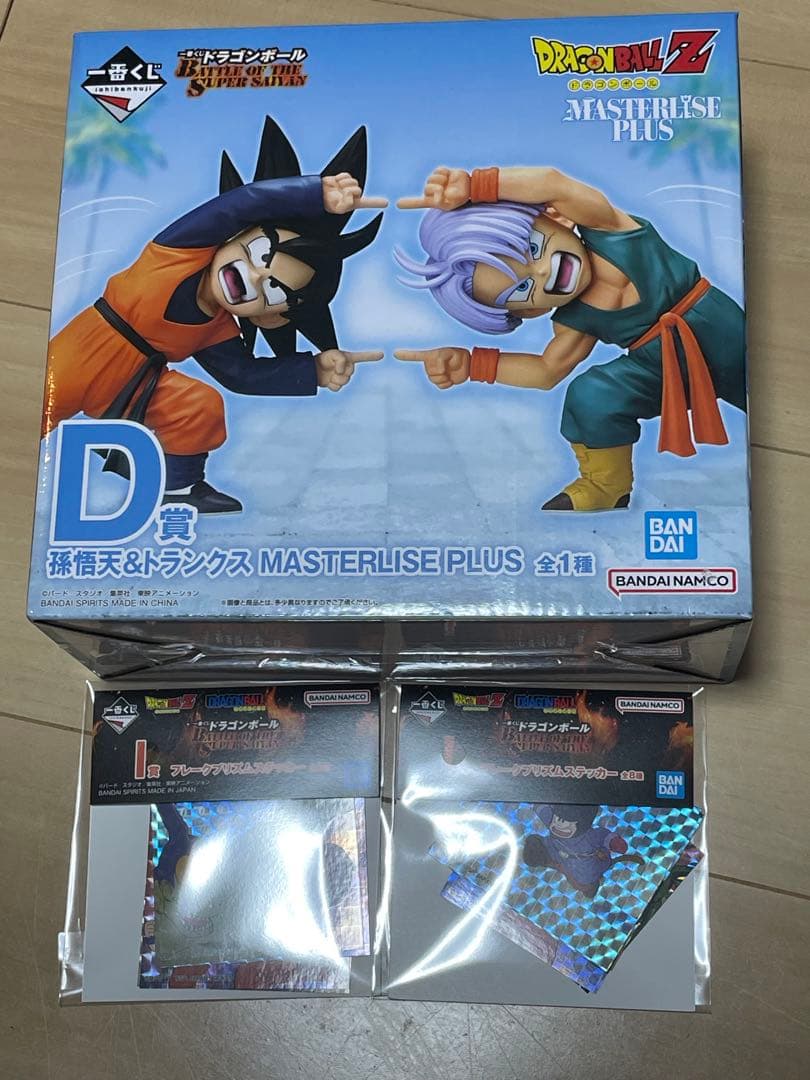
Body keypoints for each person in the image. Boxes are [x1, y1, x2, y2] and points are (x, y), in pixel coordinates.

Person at [44, 116, 387, 513]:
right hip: (81, 355)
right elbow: (238, 204)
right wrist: (313, 193)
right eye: (259, 254)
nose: (254, 277)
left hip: (136, 384)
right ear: (237, 234)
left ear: (270, 318)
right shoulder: (177, 251)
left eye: (273, 291)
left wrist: (313, 370)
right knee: (32, 409)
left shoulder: (217, 329)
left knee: (199, 404)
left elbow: (242, 375)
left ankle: (179, 488)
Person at [395, 165, 745, 511]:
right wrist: (473, 365)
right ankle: (606, 486)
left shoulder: (610, 228)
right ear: (529, 311)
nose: (541, 271)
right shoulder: (576, 321)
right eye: (521, 288)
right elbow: (546, 371)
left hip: (721, 329)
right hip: (663, 368)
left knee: (766, 388)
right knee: (591, 395)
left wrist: (476, 185)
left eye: (533, 248)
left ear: (556, 217)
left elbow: (553, 184)